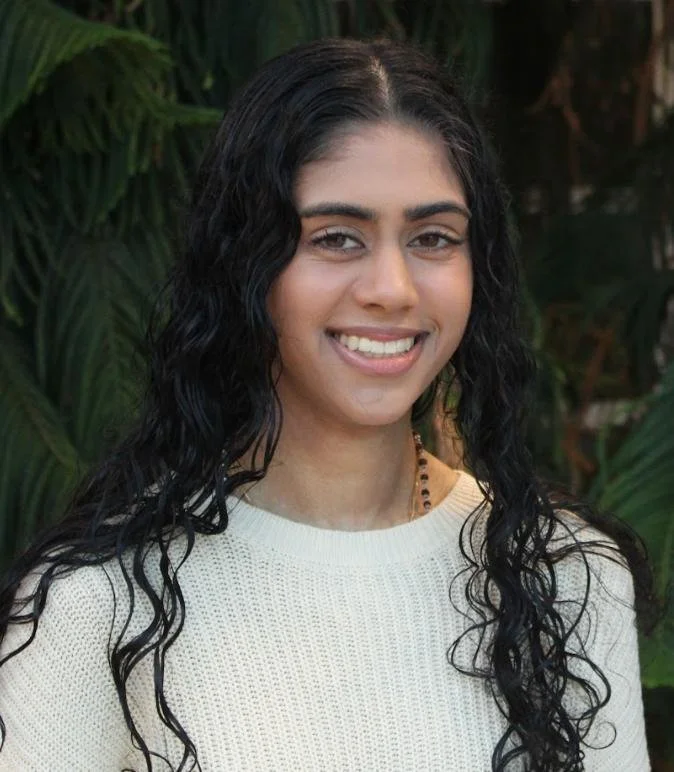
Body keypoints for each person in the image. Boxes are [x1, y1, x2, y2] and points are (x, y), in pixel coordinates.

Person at [0, 37, 658, 772]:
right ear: (247, 262)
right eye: (337, 237)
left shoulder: (568, 576)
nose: (394, 288)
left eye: (433, 238)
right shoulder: (104, 601)